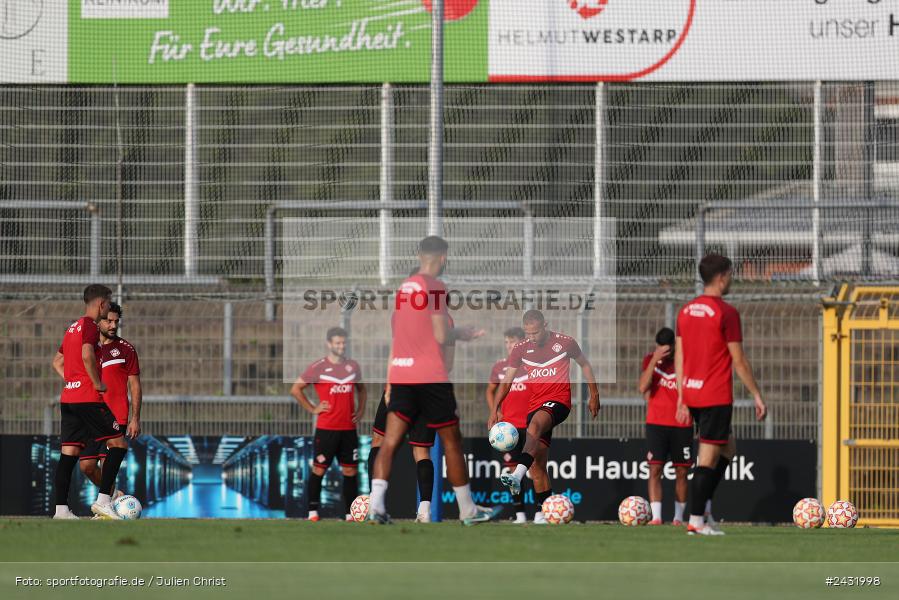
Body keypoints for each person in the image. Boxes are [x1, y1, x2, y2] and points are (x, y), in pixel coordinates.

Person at [368, 235, 498, 525]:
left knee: (389, 442)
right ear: (442, 257)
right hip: (429, 376)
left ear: (418, 256)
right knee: (452, 441)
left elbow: (396, 339)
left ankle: (376, 505)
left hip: (401, 375)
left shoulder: (403, 289)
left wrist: (390, 381)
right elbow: (441, 335)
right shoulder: (436, 286)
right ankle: (468, 510)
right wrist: (461, 333)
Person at [675, 254, 767, 536]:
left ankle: (702, 512)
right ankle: (696, 521)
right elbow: (738, 360)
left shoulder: (686, 311)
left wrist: (681, 395)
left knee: (728, 448)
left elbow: (680, 354)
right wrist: (756, 394)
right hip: (715, 395)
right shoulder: (726, 313)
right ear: (722, 277)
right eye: (731, 275)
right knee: (707, 459)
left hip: (692, 391)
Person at [492, 310, 600, 523]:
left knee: (534, 426)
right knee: (538, 463)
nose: (532, 337)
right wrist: (495, 407)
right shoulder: (521, 349)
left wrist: (594, 394)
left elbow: (585, 365)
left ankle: (516, 476)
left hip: (559, 401)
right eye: (528, 333)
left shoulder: (565, 343)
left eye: (535, 332)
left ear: (545, 326)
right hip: (536, 405)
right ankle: (544, 514)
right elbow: (507, 381)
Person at [51, 284, 128, 520]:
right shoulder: (90, 327)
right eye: (108, 302)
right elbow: (86, 354)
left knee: (69, 453)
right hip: (88, 398)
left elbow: (57, 361)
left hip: (69, 398)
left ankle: (61, 510)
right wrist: (96, 383)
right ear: (101, 304)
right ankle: (104, 500)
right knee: (118, 445)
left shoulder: (72, 327)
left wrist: (73, 381)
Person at [291, 327, 366, 521]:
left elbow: (362, 390)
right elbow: (296, 389)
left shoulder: (353, 366)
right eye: (338, 343)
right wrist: (312, 408)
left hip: (349, 430)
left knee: (350, 471)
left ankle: (352, 515)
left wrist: (360, 410)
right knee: (319, 469)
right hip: (326, 429)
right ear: (329, 344)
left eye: (344, 342)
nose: (341, 346)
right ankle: (313, 512)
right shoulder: (318, 367)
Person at [79, 303, 142, 501]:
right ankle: (113, 494)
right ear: (99, 321)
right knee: (87, 467)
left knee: (108, 466)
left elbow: (135, 386)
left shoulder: (126, 349)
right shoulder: (88, 349)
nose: (113, 325)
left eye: (116, 321)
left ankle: (104, 503)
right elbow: (60, 362)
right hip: (90, 416)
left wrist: (135, 418)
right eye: (109, 321)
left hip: (116, 416)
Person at [638, 326, 691, 526]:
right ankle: (657, 516)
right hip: (656, 423)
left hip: (681, 423)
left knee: (682, 471)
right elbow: (642, 387)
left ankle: (678, 517)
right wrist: (654, 360)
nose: (665, 352)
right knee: (655, 469)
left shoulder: (685, 361)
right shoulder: (650, 359)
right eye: (661, 348)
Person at [486, 327, 531, 524]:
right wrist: (495, 411)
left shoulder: (532, 365)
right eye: (507, 342)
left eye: (513, 342)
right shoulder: (500, 367)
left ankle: (540, 513)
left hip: (530, 425)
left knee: (535, 468)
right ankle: (520, 514)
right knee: (513, 473)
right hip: (509, 429)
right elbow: (490, 391)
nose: (509, 345)